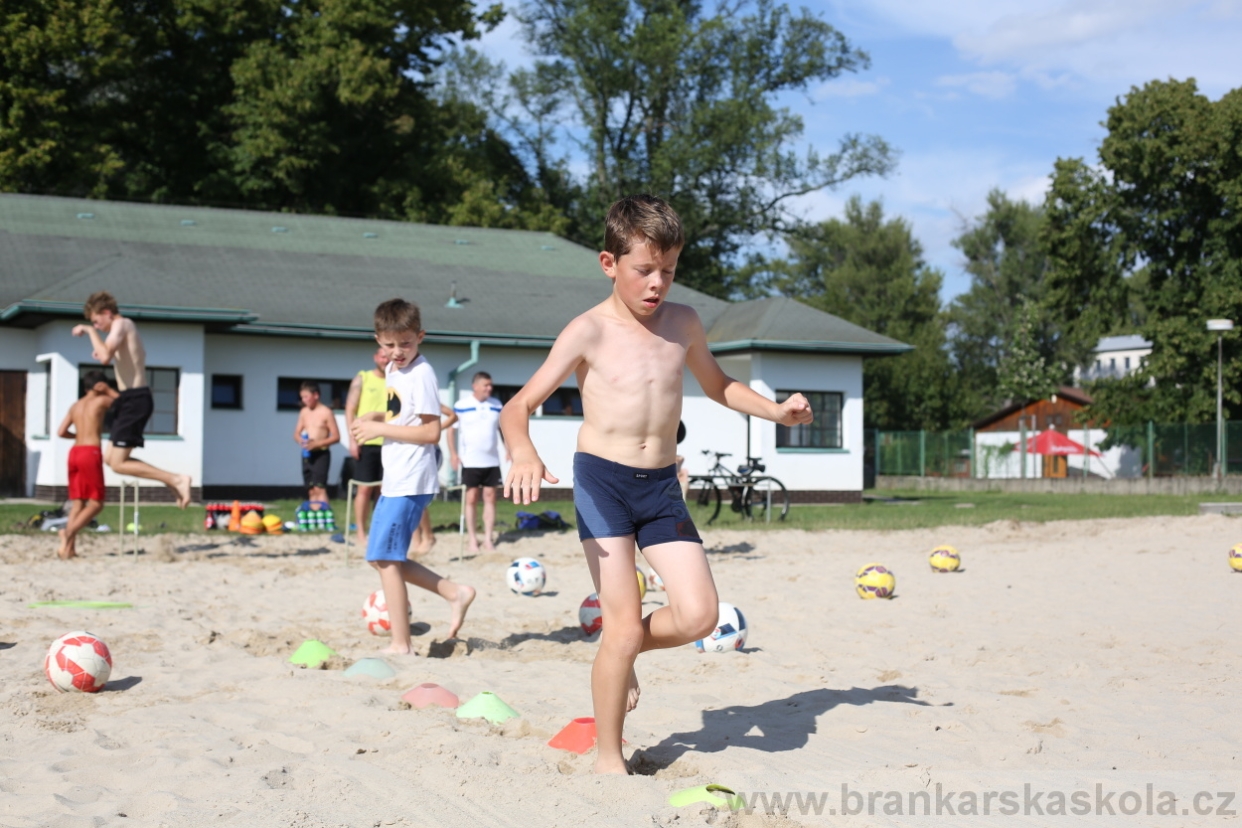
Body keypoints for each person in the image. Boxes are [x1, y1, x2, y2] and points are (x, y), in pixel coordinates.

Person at [500, 194, 813, 774]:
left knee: (698, 615)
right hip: (602, 483)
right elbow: (516, 407)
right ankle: (608, 758)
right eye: (644, 270)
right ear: (608, 263)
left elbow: (719, 385)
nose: (657, 284)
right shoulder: (586, 331)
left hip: (661, 486)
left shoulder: (684, 322)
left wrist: (776, 412)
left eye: (668, 271)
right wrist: (522, 451)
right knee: (620, 623)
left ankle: (621, 651)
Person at [350, 298, 476, 653]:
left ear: (420, 336)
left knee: (387, 559)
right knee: (379, 557)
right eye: (390, 345)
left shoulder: (421, 373)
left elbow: (429, 432)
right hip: (396, 476)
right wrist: (375, 416)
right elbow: (401, 413)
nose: (398, 351)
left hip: (411, 478)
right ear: (378, 340)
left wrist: (378, 428)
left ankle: (401, 643)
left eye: (405, 343)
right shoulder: (394, 369)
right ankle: (455, 592)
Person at [72, 291, 193, 508]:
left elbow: (105, 357)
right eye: (93, 324)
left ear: (107, 313)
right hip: (129, 399)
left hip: (136, 399)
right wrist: (100, 344)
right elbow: (107, 353)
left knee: (117, 463)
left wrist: (90, 332)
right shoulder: (121, 330)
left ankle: (176, 479)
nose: (97, 326)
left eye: (96, 321)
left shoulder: (123, 324)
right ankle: (172, 481)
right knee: (110, 459)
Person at [55, 371, 118, 560]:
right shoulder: (101, 400)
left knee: (78, 502)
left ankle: (68, 549)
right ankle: (68, 532)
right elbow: (126, 405)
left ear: (85, 387)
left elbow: (61, 432)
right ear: (100, 386)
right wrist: (109, 390)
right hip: (90, 452)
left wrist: (79, 435)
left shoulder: (76, 405)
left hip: (75, 452)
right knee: (96, 503)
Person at [448, 371, 508, 552]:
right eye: (486, 385)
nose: (489, 388)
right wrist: (453, 454)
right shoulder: (462, 405)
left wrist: (509, 449)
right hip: (470, 461)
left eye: (490, 385)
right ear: (475, 386)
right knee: (471, 498)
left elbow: (503, 429)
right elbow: (451, 431)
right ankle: (473, 539)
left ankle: (488, 539)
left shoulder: (497, 405)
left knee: (490, 497)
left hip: (491, 460)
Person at [344, 347, 390, 547]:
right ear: (375, 357)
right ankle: (360, 533)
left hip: (390, 440)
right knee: (363, 490)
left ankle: (378, 530)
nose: (385, 359)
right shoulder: (363, 378)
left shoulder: (397, 379)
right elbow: (350, 409)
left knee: (384, 491)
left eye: (388, 356)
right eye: (382, 355)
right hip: (366, 442)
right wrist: (353, 439)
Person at [410, 403, 458, 556]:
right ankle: (416, 539)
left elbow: (452, 415)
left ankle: (428, 535)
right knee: (408, 495)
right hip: (409, 450)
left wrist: (437, 430)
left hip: (428, 451)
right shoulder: (401, 395)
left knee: (418, 495)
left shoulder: (425, 396)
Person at [293, 381, 340, 504]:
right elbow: (296, 434)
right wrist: (301, 441)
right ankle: (315, 519)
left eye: (306, 397)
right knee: (311, 489)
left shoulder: (326, 412)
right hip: (307, 454)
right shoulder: (304, 412)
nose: (304, 400)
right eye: (302, 397)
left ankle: (325, 519)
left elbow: (336, 437)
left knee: (319, 488)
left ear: (316, 395)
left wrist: (317, 444)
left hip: (321, 454)